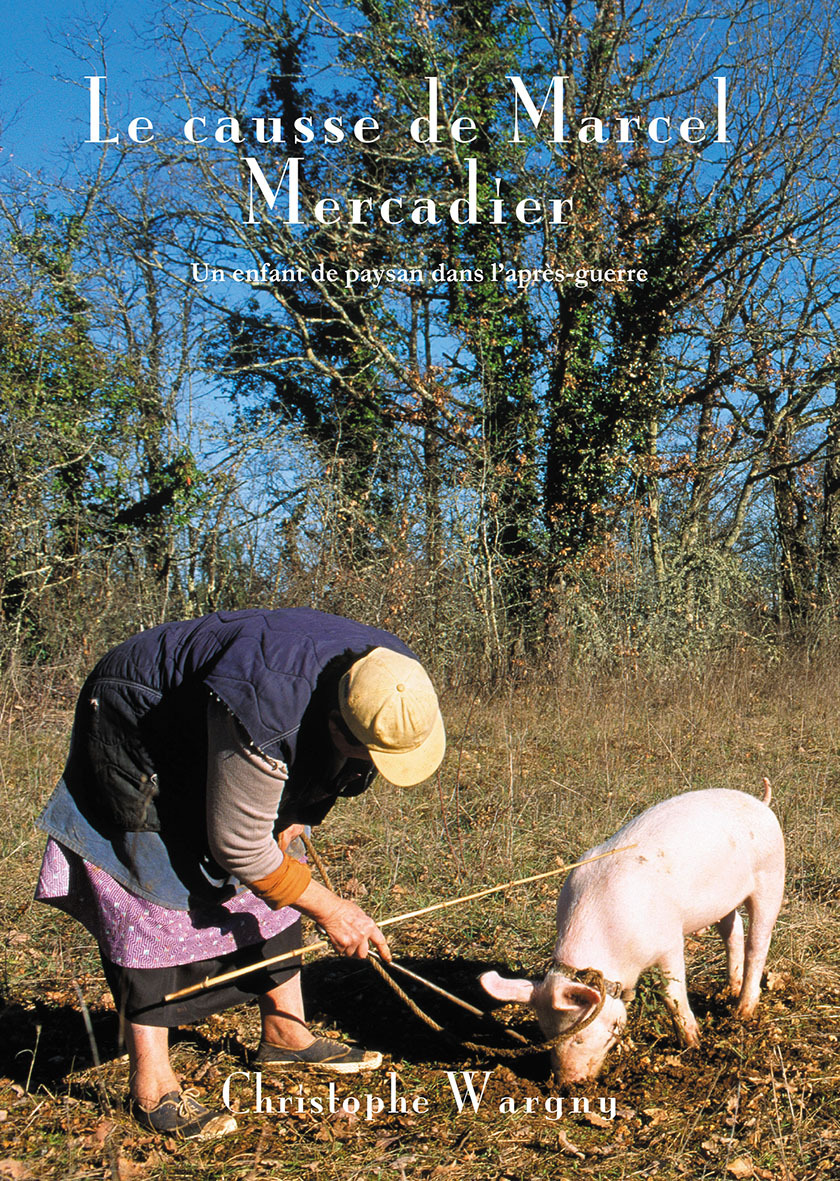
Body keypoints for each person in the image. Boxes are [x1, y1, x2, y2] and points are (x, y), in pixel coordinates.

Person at [35, 608, 445, 1140]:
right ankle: (153, 1084)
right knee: (156, 884)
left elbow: (314, 782)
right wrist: (333, 909)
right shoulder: (265, 711)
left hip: (237, 718)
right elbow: (239, 848)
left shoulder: (396, 680)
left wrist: (300, 812)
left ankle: (285, 1034)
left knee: (281, 861)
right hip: (138, 719)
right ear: (336, 723)